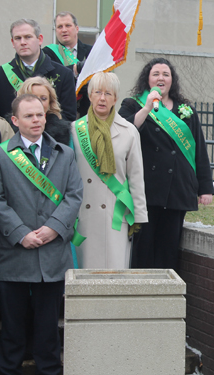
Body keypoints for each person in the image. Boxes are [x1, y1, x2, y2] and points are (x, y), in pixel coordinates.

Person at [0, 94, 82, 375]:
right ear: (15, 120)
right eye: (29, 116)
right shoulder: (0, 154)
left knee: (47, 330)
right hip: (14, 255)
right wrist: (21, 234)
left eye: (40, 115)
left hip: (52, 254)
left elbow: (74, 195)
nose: (36, 120)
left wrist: (53, 228)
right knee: (11, 329)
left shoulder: (64, 153)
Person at [118, 57, 214, 271]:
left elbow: (198, 148)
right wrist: (147, 107)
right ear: (147, 79)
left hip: (177, 188)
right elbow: (124, 132)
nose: (161, 78)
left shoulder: (185, 110)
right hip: (147, 188)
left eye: (166, 74)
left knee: (168, 250)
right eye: (156, 74)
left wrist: (205, 187)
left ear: (172, 80)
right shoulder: (132, 104)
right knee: (143, 248)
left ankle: (166, 296)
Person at [72, 72, 148, 269]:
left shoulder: (129, 131)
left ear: (116, 98)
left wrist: (138, 216)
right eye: (97, 92)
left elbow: (136, 177)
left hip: (116, 213)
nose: (102, 98)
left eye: (108, 93)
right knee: (84, 276)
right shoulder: (74, 130)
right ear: (90, 96)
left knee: (114, 274)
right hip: (84, 215)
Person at [0, 19, 77, 122]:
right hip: (12, 136)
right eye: (18, 38)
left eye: (28, 37)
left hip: (51, 137)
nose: (23, 42)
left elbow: (68, 117)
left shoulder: (64, 74)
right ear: (12, 42)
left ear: (40, 39)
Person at [43, 12, 93, 118]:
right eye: (60, 27)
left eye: (68, 25)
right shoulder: (47, 53)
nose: (64, 30)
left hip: (88, 111)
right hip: (61, 112)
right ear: (56, 30)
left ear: (77, 28)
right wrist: (75, 69)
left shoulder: (92, 51)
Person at [14, 76, 71, 146]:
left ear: (50, 102)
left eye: (43, 98)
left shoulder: (65, 132)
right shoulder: (8, 130)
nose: (38, 102)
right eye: (32, 98)